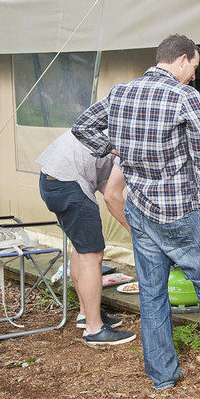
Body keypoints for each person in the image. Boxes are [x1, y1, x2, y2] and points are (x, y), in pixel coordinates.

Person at [72, 34, 200, 389]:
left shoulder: (120, 92)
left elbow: (82, 127)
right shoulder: (184, 96)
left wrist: (117, 150)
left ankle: (162, 376)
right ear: (181, 60)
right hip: (178, 210)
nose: (194, 75)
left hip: (140, 209)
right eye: (193, 66)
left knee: (152, 291)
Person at [37, 131, 135, 346]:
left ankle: (85, 315)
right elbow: (111, 196)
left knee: (80, 249)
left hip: (51, 181)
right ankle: (95, 329)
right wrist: (137, 232)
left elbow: (107, 186)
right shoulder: (130, 138)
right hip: (70, 185)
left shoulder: (113, 123)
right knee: (93, 255)